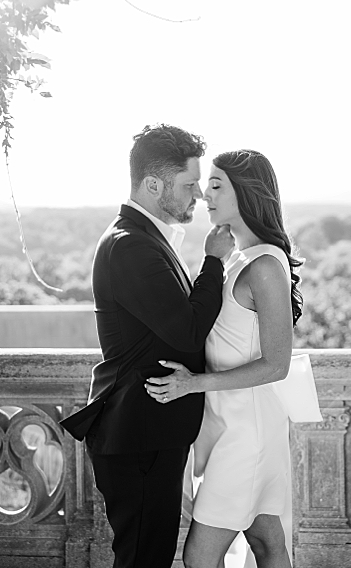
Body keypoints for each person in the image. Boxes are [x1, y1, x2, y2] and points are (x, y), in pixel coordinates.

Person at [60, 124, 236, 568]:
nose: (197, 194)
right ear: (154, 184)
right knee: (143, 559)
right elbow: (188, 330)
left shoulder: (146, 239)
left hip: (149, 430)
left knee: (149, 555)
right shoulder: (131, 246)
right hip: (138, 433)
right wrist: (213, 261)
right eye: (188, 184)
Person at [145, 150, 304, 568]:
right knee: (268, 542)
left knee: (199, 557)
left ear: (247, 194)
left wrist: (190, 383)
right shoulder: (233, 257)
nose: (204, 195)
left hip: (247, 434)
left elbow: (276, 364)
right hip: (223, 425)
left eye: (216, 186)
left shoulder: (267, 264)